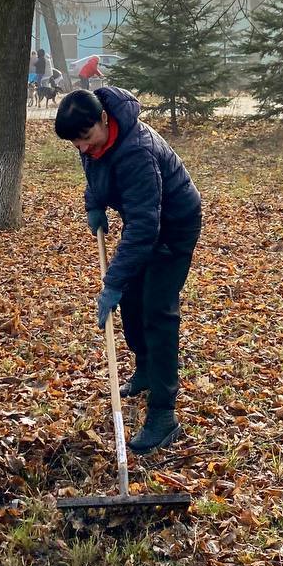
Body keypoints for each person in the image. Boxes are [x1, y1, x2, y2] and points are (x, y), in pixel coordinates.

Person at [54, 87, 202, 454]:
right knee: (132, 302)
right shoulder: (92, 143)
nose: (82, 148)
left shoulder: (136, 150)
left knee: (157, 311)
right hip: (145, 223)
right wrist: (95, 204)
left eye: (86, 138)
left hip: (174, 225)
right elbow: (95, 173)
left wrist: (113, 281)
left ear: (104, 119)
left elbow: (144, 228)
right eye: (75, 142)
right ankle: (145, 370)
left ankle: (164, 414)